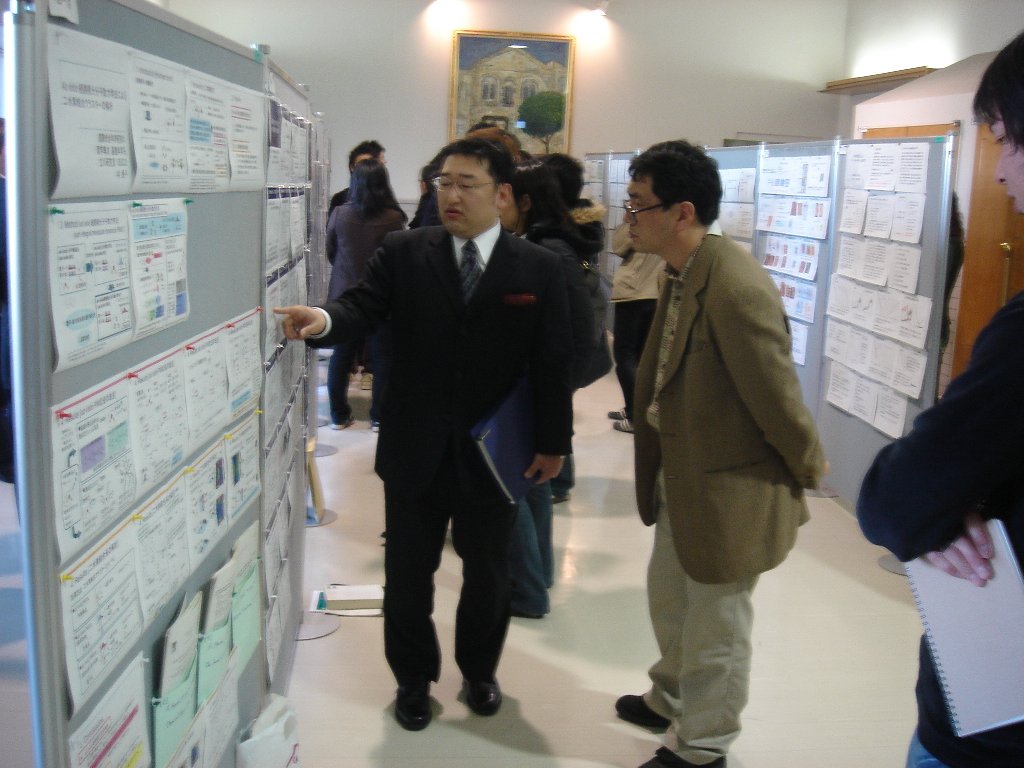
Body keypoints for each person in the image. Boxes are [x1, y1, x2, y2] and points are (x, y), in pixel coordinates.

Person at [274, 137, 574, 731]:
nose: (451, 195)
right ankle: (413, 678)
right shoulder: (405, 251)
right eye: (444, 183)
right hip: (415, 444)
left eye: (467, 184)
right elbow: (361, 306)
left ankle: (480, 671)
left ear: (503, 194)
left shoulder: (537, 267)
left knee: (489, 572)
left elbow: (553, 360)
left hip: (494, 452)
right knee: (409, 574)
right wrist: (324, 319)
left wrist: (552, 442)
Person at [615, 140, 827, 768]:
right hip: (684, 473)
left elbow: (776, 395)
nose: (629, 217)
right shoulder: (681, 270)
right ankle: (670, 695)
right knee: (671, 599)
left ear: (681, 212)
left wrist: (808, 465)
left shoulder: (734, 286)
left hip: (730, 487)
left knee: (717, 624)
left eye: (638, 204)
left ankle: (705, 745)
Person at [857, 29, 1024, 768]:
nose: (1000, 170)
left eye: (1006, 139)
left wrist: (940, 509)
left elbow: (896, 500)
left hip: (998, 720)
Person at [500, 159, 596, 618]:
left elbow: (561, 334)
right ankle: (539, 576)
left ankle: (527, 590)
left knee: (512, 484)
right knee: (532, 480)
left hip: (537, 381)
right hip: (540, 381)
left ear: (524, 201)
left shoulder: (545, 251)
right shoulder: (551, 243)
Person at [538, 152, 610, 501]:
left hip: (565, 340)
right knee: (558, 406)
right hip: (578, 337)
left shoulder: (554, 240)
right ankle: (559, 480)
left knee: (555, 406)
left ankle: (558, 480)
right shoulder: (581, 229)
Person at [324, 159, 406, 430]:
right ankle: (378, 417)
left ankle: (338, 415)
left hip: (345, 296)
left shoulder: (340, 213)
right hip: (381, 295)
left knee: (341, 355)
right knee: (383, 358)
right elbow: (397, 258)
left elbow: (331, 251)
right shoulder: (394, 218)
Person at [606, 221, 662, 434]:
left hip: (633, 294)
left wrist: (630, 218)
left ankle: (634, 415)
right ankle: (635, 408)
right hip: (652, 293)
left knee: (625, 357)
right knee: (638, 357)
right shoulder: (664, 220)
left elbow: (618, 245)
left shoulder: (639, 221)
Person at [328, 139, 386, 218]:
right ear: (352, 167)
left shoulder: (385, 200)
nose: (365, 169)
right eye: (361, 164)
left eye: (370, 164)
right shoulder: (340, 198)